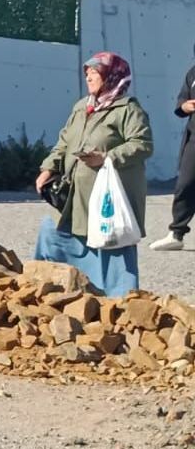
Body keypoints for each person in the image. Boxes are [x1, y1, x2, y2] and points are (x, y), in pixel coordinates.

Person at [33, 52, 153, 297]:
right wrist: (48, 168)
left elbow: (142, 144)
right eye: (87, 72)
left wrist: (107, 157)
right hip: (76, 196)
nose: (88, 76)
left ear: (111, 76)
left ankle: (119, 303)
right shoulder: (82, 107)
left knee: (111, 239)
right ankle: (56, 290)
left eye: (95, 72)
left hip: (109, 196)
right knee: (54, 231)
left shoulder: (127, 109)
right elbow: (64, 142)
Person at [152, 44, 195, 251]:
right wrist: (185, 106)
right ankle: (176, 233)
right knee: (185, 184)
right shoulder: (192, 74)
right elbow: (182, 100)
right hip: (194, 139)